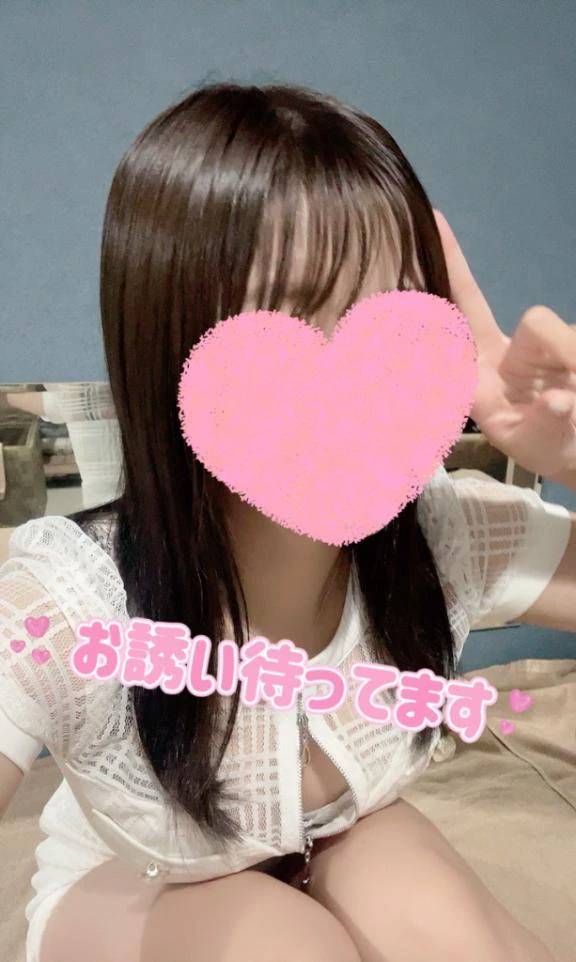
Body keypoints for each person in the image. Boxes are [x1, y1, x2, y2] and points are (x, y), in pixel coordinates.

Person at [1, 82, 575, 962]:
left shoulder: (445, 534)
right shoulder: (72, 604)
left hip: (346, 831)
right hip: (137, 876)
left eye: (395, 314)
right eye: (299, 310)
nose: (363, 378)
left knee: (454, 934)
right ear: (172, 336)